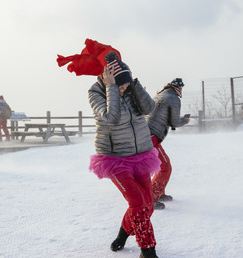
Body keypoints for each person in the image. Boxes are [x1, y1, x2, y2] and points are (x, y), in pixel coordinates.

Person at [88, 52, 161, 258]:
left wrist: (132, 82)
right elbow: (111, 118)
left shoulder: (130, 88)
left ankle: (122, 234)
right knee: (137, 201)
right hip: (115, 159)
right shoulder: (96, 93)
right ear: (106, 78)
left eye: (125, 85)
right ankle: (147, 250)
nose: (123, 89)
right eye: (120, 85)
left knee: (148, 205)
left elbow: (150, 108)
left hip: (141, 155)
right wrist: (112, 88)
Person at [146, 78, 190, 210]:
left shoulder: (159, 95)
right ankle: (151, 198)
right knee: (165, 167)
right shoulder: (174, 98)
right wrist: (185, 121)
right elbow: (174, 122)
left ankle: (159, 193)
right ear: (178, 88)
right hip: (151, 138)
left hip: (145, 134)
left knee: (161, 165)